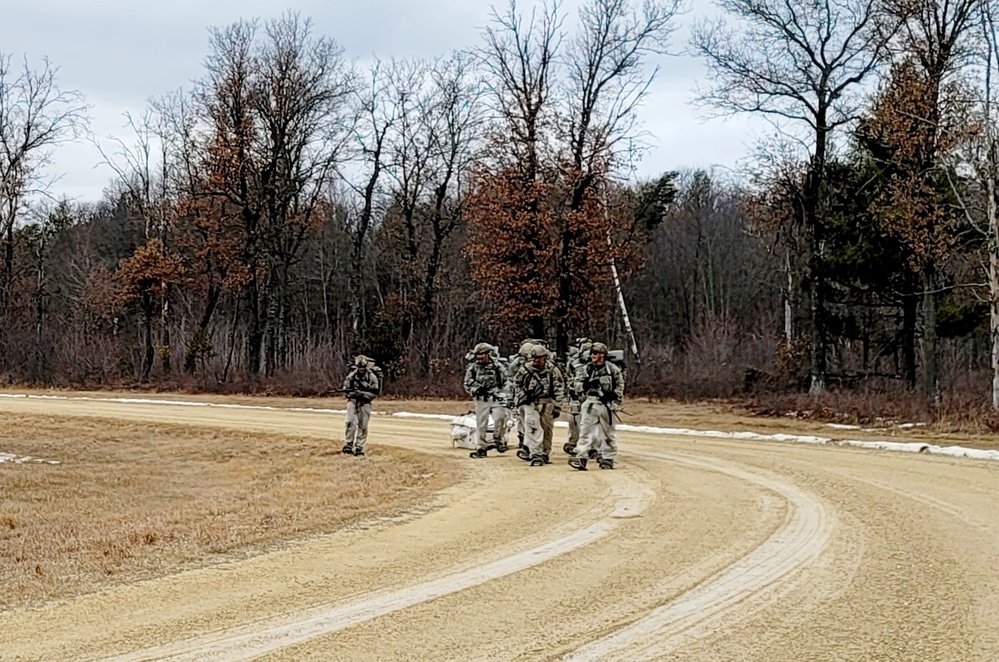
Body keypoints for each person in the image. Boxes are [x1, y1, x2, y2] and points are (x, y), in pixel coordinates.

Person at [570, 342, 624, 470]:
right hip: (590, 403)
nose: (593, 356)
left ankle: (608, 458)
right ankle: (581, 457)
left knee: (608, 433)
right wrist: (586, 385)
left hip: (607, 404)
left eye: (596, 353)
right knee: (585, 432)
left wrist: (614, 398)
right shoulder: (586, 369)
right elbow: (576, 385)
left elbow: (620, 385)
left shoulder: (612, 370)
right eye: (592, 353)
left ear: (603, 355)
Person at [514, 344, 566, 466]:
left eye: (538, 358)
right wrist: (523, 396)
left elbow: (559, 387)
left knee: (547, 429)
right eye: (533, 358)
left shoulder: (552, 370)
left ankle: (545, 452)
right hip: (530, 403)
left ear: (544, 358)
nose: (535, 361)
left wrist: (558, 405)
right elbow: (516, 384)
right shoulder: (525, 370)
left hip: (547, 403)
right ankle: (535, 453)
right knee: (533, 427)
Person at [464, 342, 509, 458]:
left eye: (482, 354)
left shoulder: (497, 366)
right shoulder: (473, 367)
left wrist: (503, 394)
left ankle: (498, 440)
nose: (480, 357)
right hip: (481, 398)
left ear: (488, 354)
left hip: (496, 396)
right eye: (478, 355)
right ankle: (481, 447)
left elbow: (506, 381)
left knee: (501, 418)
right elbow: (467, 383)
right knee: (481, 423)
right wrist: (476, 389)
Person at [342, 355, 381, 456]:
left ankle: (359, 446)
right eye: (359, 368)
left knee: (363, 425)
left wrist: (363, 394)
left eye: (363, 368)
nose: (361, 370)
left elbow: (375, 392)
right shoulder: (351, 376)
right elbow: (346, 389)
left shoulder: (372, 377)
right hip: (353, 401)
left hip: (365, 403)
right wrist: (352, 394)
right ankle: (348, 444)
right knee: (350, 422)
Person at [564, 337, 593, 456]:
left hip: (588, 396)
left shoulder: (596, 363)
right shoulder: (574, 362)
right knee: (574, 420)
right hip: (576, 395)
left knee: (585, 421)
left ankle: (589, 445)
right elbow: (569, 376)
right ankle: (574, 442)